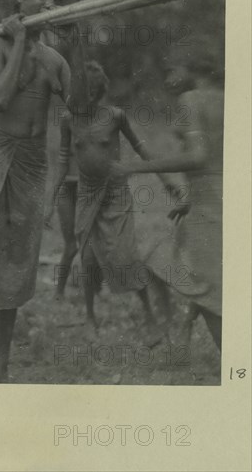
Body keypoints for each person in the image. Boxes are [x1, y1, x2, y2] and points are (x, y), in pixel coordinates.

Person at [0, 0, 90, 382]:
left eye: (56, 0)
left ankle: (0, 368)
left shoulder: (54, 59)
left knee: (15, 266)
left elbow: (82, 105)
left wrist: (76, 42)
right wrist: (19, 43)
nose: (48, 5)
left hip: (32, 165)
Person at [52, 61, 179, 339]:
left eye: (79, 95)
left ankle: (149, 316)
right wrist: (50, 198)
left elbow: (141, 149)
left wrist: (167, 181)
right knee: (87, 257)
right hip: (87, 193)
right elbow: (63, 162)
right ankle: (90, 318)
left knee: (126, 257)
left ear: (95, 95)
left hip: (115, 194)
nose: (72, 100)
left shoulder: (115, 116)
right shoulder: (69, 120)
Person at [110, 48, 223, 351]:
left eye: (174, 70)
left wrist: (139, 165)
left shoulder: (191, 101)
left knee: (183, 272)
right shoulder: (231, 99)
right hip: (218, 198)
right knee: (213, 279)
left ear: (193, 68)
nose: (171, 78)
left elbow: (199, 157)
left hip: (211, 204)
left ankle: (229, 361)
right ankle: (188, 326)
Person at [44, 106, 79, 299]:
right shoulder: (68, 119)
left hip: (89, 190)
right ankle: (59, 292)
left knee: (93, 245)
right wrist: (49, 204)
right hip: (68, 189)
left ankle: (95, 288)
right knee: (71, 246)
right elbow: (61, 163)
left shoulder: (104, 119)